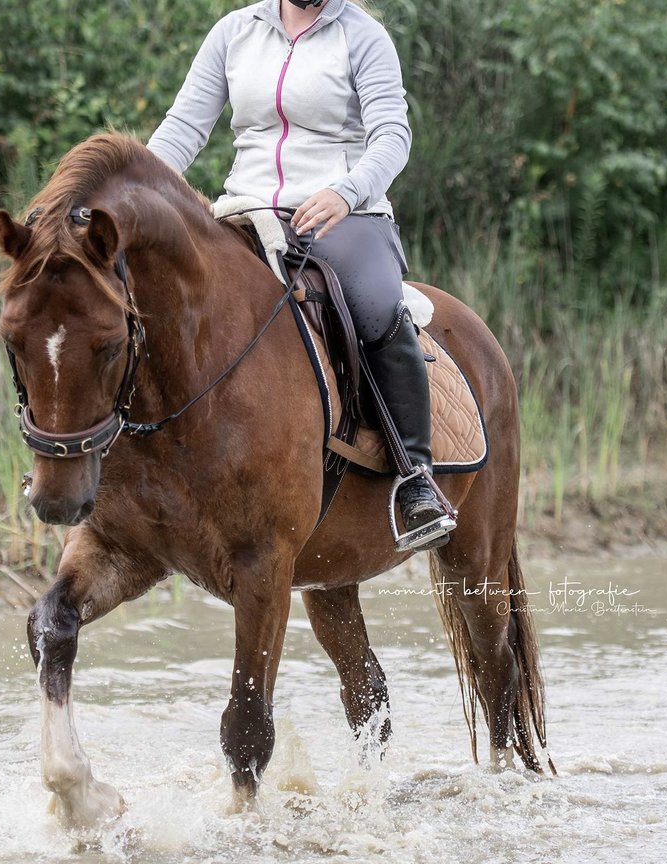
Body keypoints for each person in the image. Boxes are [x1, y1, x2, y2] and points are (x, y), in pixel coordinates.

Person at [147, 0, 451, 546]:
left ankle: (416, 476)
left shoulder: (364, 36)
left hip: (342, 213)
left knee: (378, 306)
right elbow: (183, 128)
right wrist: (135, 191)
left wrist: (346, 192)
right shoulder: (234, 32)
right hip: (247, 208)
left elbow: (391, 136)